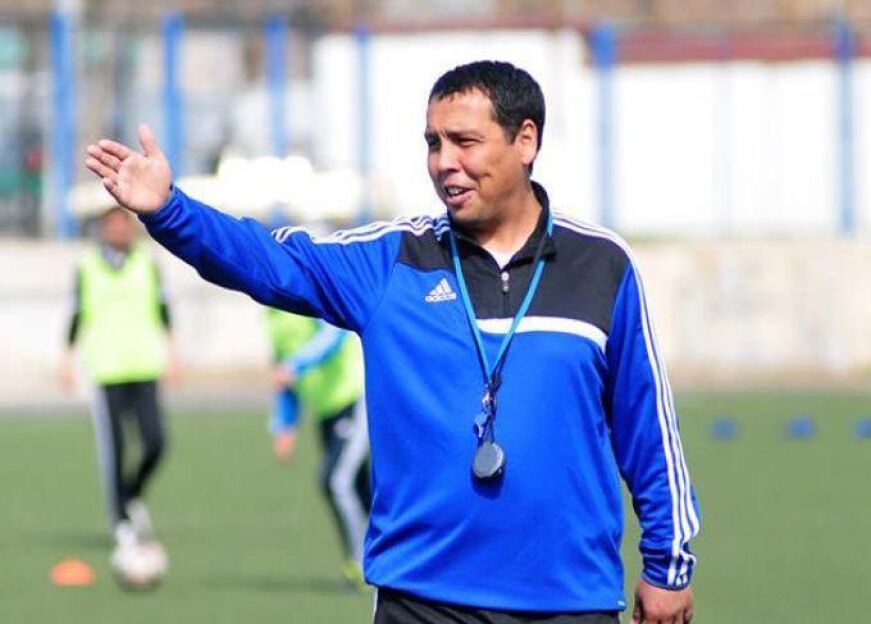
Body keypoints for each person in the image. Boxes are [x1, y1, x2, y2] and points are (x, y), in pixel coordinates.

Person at [85, 60, 700, 623]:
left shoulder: (602, 266)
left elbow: (648, 427)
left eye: (464, 141)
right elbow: (267, 261)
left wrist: (667, 565)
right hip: (421, 599)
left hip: (568, 601)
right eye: (433, 143)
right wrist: (169, 210)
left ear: (526, 141)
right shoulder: (391, 261)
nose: (443, 162)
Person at [61, 206, 176, 551]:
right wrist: (67, 359)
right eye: (112, 226)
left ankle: (133, 493)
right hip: (107, 369)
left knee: (156, 442)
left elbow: (163, 309)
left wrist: (173, 352)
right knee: (115, 450)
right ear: (102, 231)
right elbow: (76, 314)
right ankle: (121, 520)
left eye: (124, 225)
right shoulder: (87, 267)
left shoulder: (147, 263)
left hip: (144, 366)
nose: (119, 232)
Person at [264, 307, 370, 588]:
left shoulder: (304, 294)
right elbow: (283, 374)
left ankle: (362, 564)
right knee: (361, 487)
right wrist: (285, 423)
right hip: (326, 411)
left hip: (354, 399)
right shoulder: (272, 315)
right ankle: (385, 557)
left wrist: (296, 365)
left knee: (336, 481)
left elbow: (334, 336)